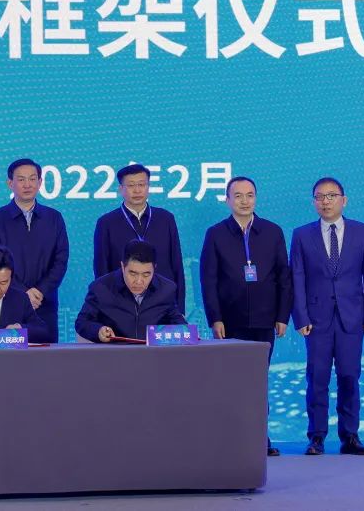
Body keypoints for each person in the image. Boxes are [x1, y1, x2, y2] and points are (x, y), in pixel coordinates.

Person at [199, 176, 292, 456]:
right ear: (227, 200)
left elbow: (284, 277)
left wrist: (282, 315)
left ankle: (260, 438)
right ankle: (233, 438)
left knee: (258, 381)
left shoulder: (272, 232)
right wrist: (215, 318)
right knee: (233, 381)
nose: (244, 201)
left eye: (249, 195)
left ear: (256, 198)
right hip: (230, 320)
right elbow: (208, 280)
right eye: (237, 195)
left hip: (265, 319)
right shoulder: (216, 234)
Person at [290, 177, 364, 456]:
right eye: (320, 197)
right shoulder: (302, 235)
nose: (326, 202)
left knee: (349, 376)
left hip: (351, 318)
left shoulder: (362, 232)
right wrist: (301, 317)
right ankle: (316, 437)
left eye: (331, 196)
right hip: (316, 320)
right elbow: (297, 278)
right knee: (317, 377)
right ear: (314, 202)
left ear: (344, 200)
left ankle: (350, 436)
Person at [0, 158, 69, 343]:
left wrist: (40, 291)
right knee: (9, 356)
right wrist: (23, 293)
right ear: (10, 183)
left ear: (40, 182)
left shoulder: (54, 218)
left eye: (32, 179)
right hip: (8, 302)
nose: (27, 184)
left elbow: (61, 260)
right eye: (21, 179)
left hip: (44, 302)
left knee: (46, 356)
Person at [93, 163, 186, 313]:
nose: (137, 190)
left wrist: (180, 308)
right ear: (120, 189)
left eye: (142, 184)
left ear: (148, 187)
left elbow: (177, 265)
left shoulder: (165, 219)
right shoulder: (107, 223)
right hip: (122, 304)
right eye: (131, 185)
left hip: (163, 302)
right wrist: (107, 309)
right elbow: (101, 269)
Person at [76, 240, 184, 342]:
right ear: (123, 267)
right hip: (115, 352)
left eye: (146, 274)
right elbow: (82, 322)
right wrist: (99, 331)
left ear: (154, 268)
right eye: (133, 273)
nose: (139, 281)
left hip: (153, 353)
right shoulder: (101, 288)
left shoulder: (166, 290)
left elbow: (179, 324)